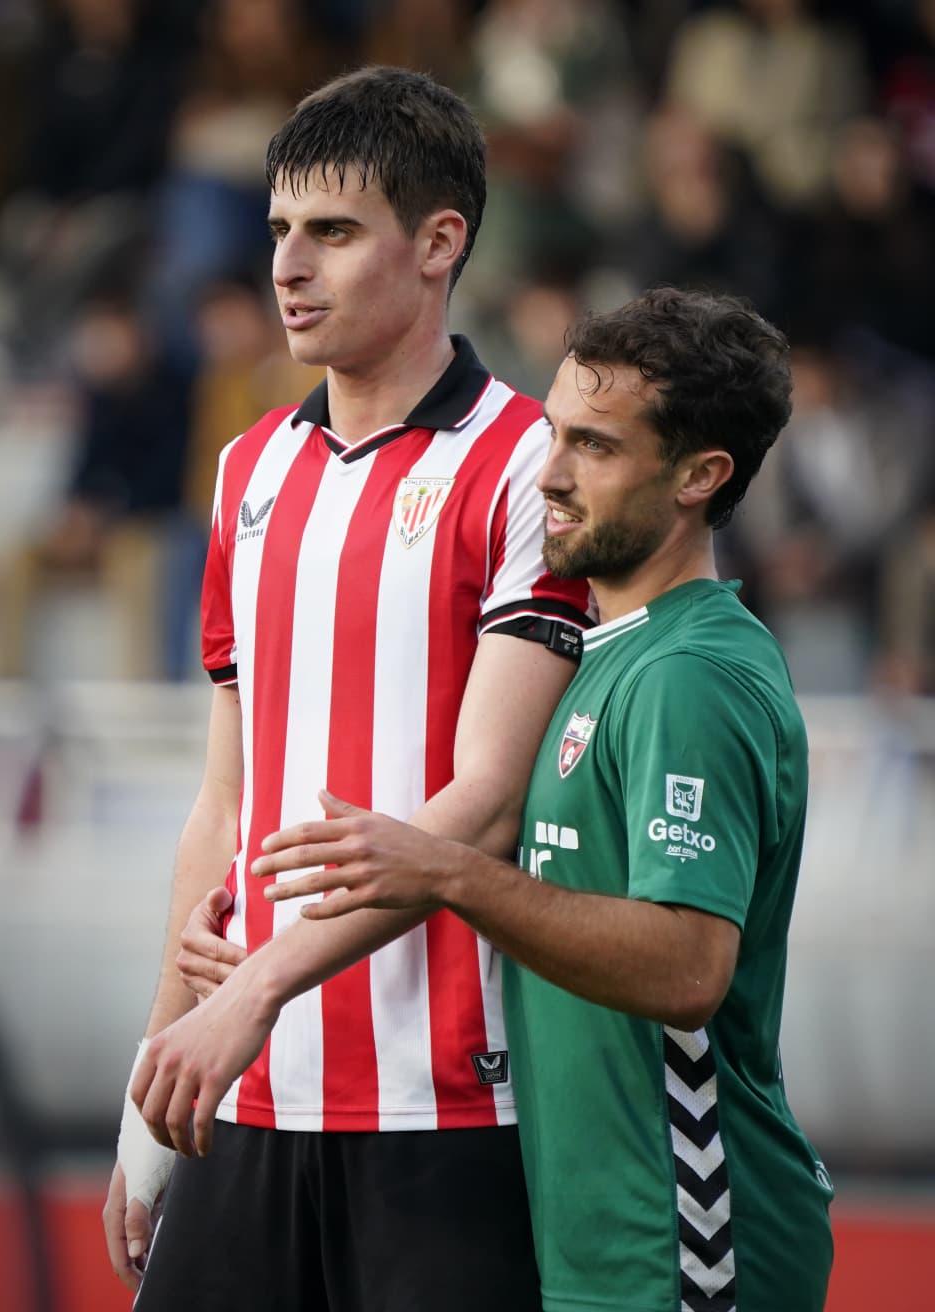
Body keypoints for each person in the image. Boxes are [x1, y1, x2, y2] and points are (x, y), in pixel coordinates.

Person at [178, 288, 836, 1311]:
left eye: (595, 447)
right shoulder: (605, 658)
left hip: (695, 1238)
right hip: (594, 1241)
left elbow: (689, 965)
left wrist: (445, 868)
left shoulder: (690, 675)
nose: (551, 473)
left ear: (701, 476)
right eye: (554, 432)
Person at [105, 66, 593, 1311]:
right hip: (248, 1088)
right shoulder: (248, 466)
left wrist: (256, 993)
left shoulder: (527, 461)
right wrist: (151, 1090)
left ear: (441, 244)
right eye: (278, 231)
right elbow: (225, 808)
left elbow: (480, 805)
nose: (287, 267)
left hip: (449, 1107)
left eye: (331, 232)